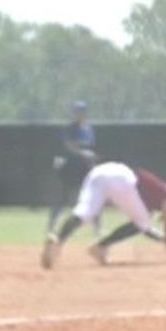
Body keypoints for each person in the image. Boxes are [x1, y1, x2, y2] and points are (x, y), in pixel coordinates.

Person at [41, 161, 166, 268]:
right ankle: (100, 247)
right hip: (122, 177)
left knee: (84, 213)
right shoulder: (165, 195)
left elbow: (146, 229)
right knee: (142, 222)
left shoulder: (151, 196)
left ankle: (57, 241)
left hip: (99, 172)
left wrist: (161, 238)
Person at [47, 100, 99, 234]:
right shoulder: (69, 128)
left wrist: (91, 162)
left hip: (85, 168)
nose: (79, 113)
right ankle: (51, 227)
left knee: (95, 197)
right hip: (70, 166)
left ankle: (97, 230)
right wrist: (83, 153)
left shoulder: (89, 129)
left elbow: (90, 147)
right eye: (76, 111)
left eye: (81, 111)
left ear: (85, 113)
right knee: (62, 198)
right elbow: (68, 145)